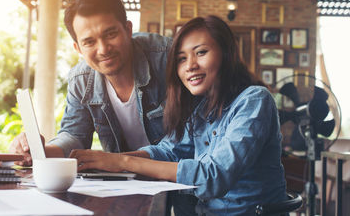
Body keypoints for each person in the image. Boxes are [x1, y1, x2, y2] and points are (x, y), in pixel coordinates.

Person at [70, 15, 287, 215]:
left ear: (226, 53)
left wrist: (123, 162)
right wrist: (110, 160)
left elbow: (213, 177)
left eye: (201, 52)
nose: (190, 66)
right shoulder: (202, 109)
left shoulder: (255, 100)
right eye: (182, 59)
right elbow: (168, 151)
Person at [9, 0, 171, 165]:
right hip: (128, 181)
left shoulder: (167, 59)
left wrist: (120, 161)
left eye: (110, 34)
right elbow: (75, 135)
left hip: (178, 180)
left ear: (128, 29)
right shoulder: (81, 80)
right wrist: (39, 152)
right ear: (78, 48)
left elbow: (186, 143)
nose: (103, 49)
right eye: (89, 42)